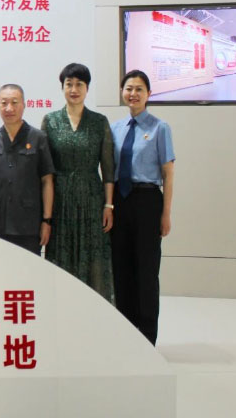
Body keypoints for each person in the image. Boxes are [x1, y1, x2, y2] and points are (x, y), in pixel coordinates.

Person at [41, 63, 115, 302]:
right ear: (62, 87)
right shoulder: (50, 121)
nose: (74, 89)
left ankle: (94, 311)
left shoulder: (99, 122)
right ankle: (62, 309)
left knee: (93, 257)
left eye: (79, 84)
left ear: (87, 88)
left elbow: (108, 169)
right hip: (60, 200)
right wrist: (46, 214)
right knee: (60, 255)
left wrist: (109, 205)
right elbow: (46, 172)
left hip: (92, 199)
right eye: (69, 84)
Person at [111, 69, 175, 345]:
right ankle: (126, 333)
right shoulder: (115, 128)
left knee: (146, 270)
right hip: (120, 202)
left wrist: (166, 214)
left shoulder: (160, 128)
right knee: (121, 268)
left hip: (148, 201)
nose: (133, 93)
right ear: (122, 92)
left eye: (139, 89)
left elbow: (168, 173)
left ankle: (147, 337)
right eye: (129, 88)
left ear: (148, 94)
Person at [0, 84, 54, 255]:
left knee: (29, 270)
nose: (9, 108)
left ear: (24, 104)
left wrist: (47, 220)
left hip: (29, 224)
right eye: (4, 103)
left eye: (14, 102)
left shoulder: (38, 138)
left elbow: (47, 181)